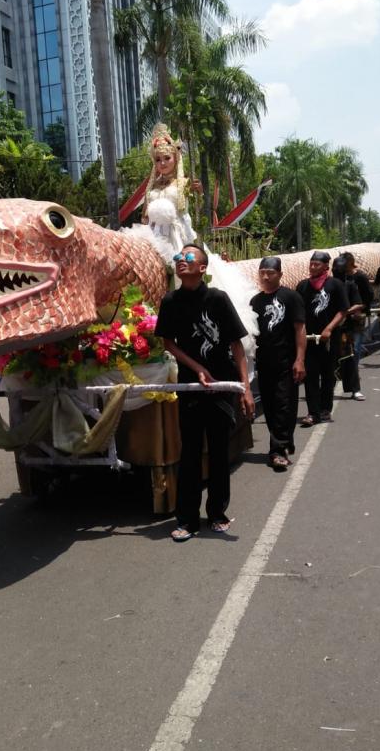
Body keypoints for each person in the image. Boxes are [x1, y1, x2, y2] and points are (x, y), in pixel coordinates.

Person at [155, 244, 254, 541]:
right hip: (190, 386)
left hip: (221, 385)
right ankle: (187, 519)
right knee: (190, 452)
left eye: (188, 257)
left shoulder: (217, 299)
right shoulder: (170, 301)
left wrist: (245, 387)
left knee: (219, 451)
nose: (181, 261)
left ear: (202, 267)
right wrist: (197, 367)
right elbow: (168, 343)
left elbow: (236, 344)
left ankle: (217, 513)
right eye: (178, 257)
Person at [130, 123, 258, 354]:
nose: (162, 163)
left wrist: (197, 193)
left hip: (177, 235)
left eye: (166, 158)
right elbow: (146, 216)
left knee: (183, 269)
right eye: (158, 160)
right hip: (153, 234)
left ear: (176, 158)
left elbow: (192, 212)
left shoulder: (185, 183)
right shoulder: (152, 187)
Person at [250, 256, 306, 471]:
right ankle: (284, 441)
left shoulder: (291, 297)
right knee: (270, 406)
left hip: (287, 361)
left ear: (280, 274)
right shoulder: (255, 301)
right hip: (264, 362)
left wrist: (299, 359)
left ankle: (277, 450)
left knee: (284, 404)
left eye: (270, 272)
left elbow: (300, 329)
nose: (265, 276)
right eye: (262, 272)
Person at [296, 251, 349, 426]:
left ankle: (325, 409)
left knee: (327, 375)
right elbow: (298, 313)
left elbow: (343, 310)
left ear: (326, 266)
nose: (312, 267)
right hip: (309, 339)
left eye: (316, 264)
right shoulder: (303, 286)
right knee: (310, 376)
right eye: (311, 264)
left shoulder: (335, 285)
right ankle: (313, 413)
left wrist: (329, 328)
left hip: (329, 339)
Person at [332, 256, 365, 400]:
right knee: (329, 360)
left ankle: (355, 389)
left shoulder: (350, 285)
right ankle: (328, 389)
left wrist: (344, 313)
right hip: (329, 328)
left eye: (340, 269)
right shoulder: (327, 285)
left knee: (349, 358)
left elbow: (359, 304)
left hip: (345, 328)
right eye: (335, 268)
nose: (338, 271)